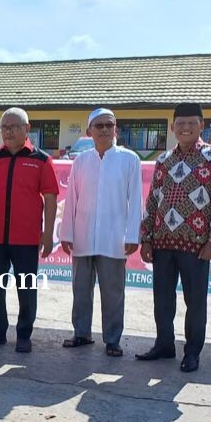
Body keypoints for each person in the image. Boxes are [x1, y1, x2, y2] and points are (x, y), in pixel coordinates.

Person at [137, 103, 211, 373]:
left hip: (197, 244)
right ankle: (164, 345)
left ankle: (192, 353)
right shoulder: (164, 160)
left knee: (195, 301)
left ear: (202, 125)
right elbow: (153, 200)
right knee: (162, 300)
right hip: (162, 243)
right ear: (172, 127)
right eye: (180, 123)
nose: (186, 128)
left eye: (191, 123)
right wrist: (146, 238)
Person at [0, 108, 59, 353]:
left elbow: (50, 198)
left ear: (27, 128)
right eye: (4, 127)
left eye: (13, 127)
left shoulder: (41, 160)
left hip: (26, 239)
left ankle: (24, 334)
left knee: (27, 289)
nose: (8, 132)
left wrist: (48, 234)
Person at [59, 108, 143, 357]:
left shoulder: (129, 159)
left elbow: (135, 201)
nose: (105, 129)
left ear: (116, 129)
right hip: (83, 236)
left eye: (109, 125)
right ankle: (82, 333)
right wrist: (67, 233)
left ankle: (113, 339)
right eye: (99, 125)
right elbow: (71, 199)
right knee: (81, 290)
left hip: (113, 238)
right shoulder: (81, 161)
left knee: (113, 293)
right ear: (89, 131)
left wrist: (132, 235)